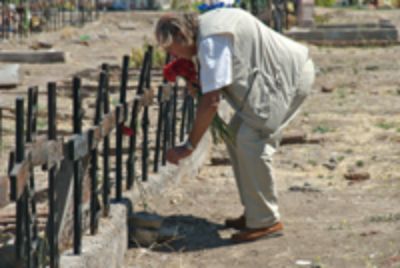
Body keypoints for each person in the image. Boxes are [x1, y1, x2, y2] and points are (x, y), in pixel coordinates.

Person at [155, 8, 315, 242]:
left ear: (180, 34)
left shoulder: (211, 41)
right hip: (276, 77)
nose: (173, 56)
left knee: (252, 141)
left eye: (171, 49)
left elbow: (211, 102)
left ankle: (266, 221)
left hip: (288, 78)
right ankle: (255, 212)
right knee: (234, 135)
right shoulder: (209, 27)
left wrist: (189, 145)